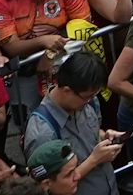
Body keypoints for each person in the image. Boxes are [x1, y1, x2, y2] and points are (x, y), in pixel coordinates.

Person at [22, 54, 123, 195]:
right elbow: (43, 187)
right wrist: (94, 160)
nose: (90, 101)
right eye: (86, 97)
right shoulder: (42, 133)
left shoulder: (88, 102)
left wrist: (105, 136)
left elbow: (93, 131)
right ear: (67, 91)